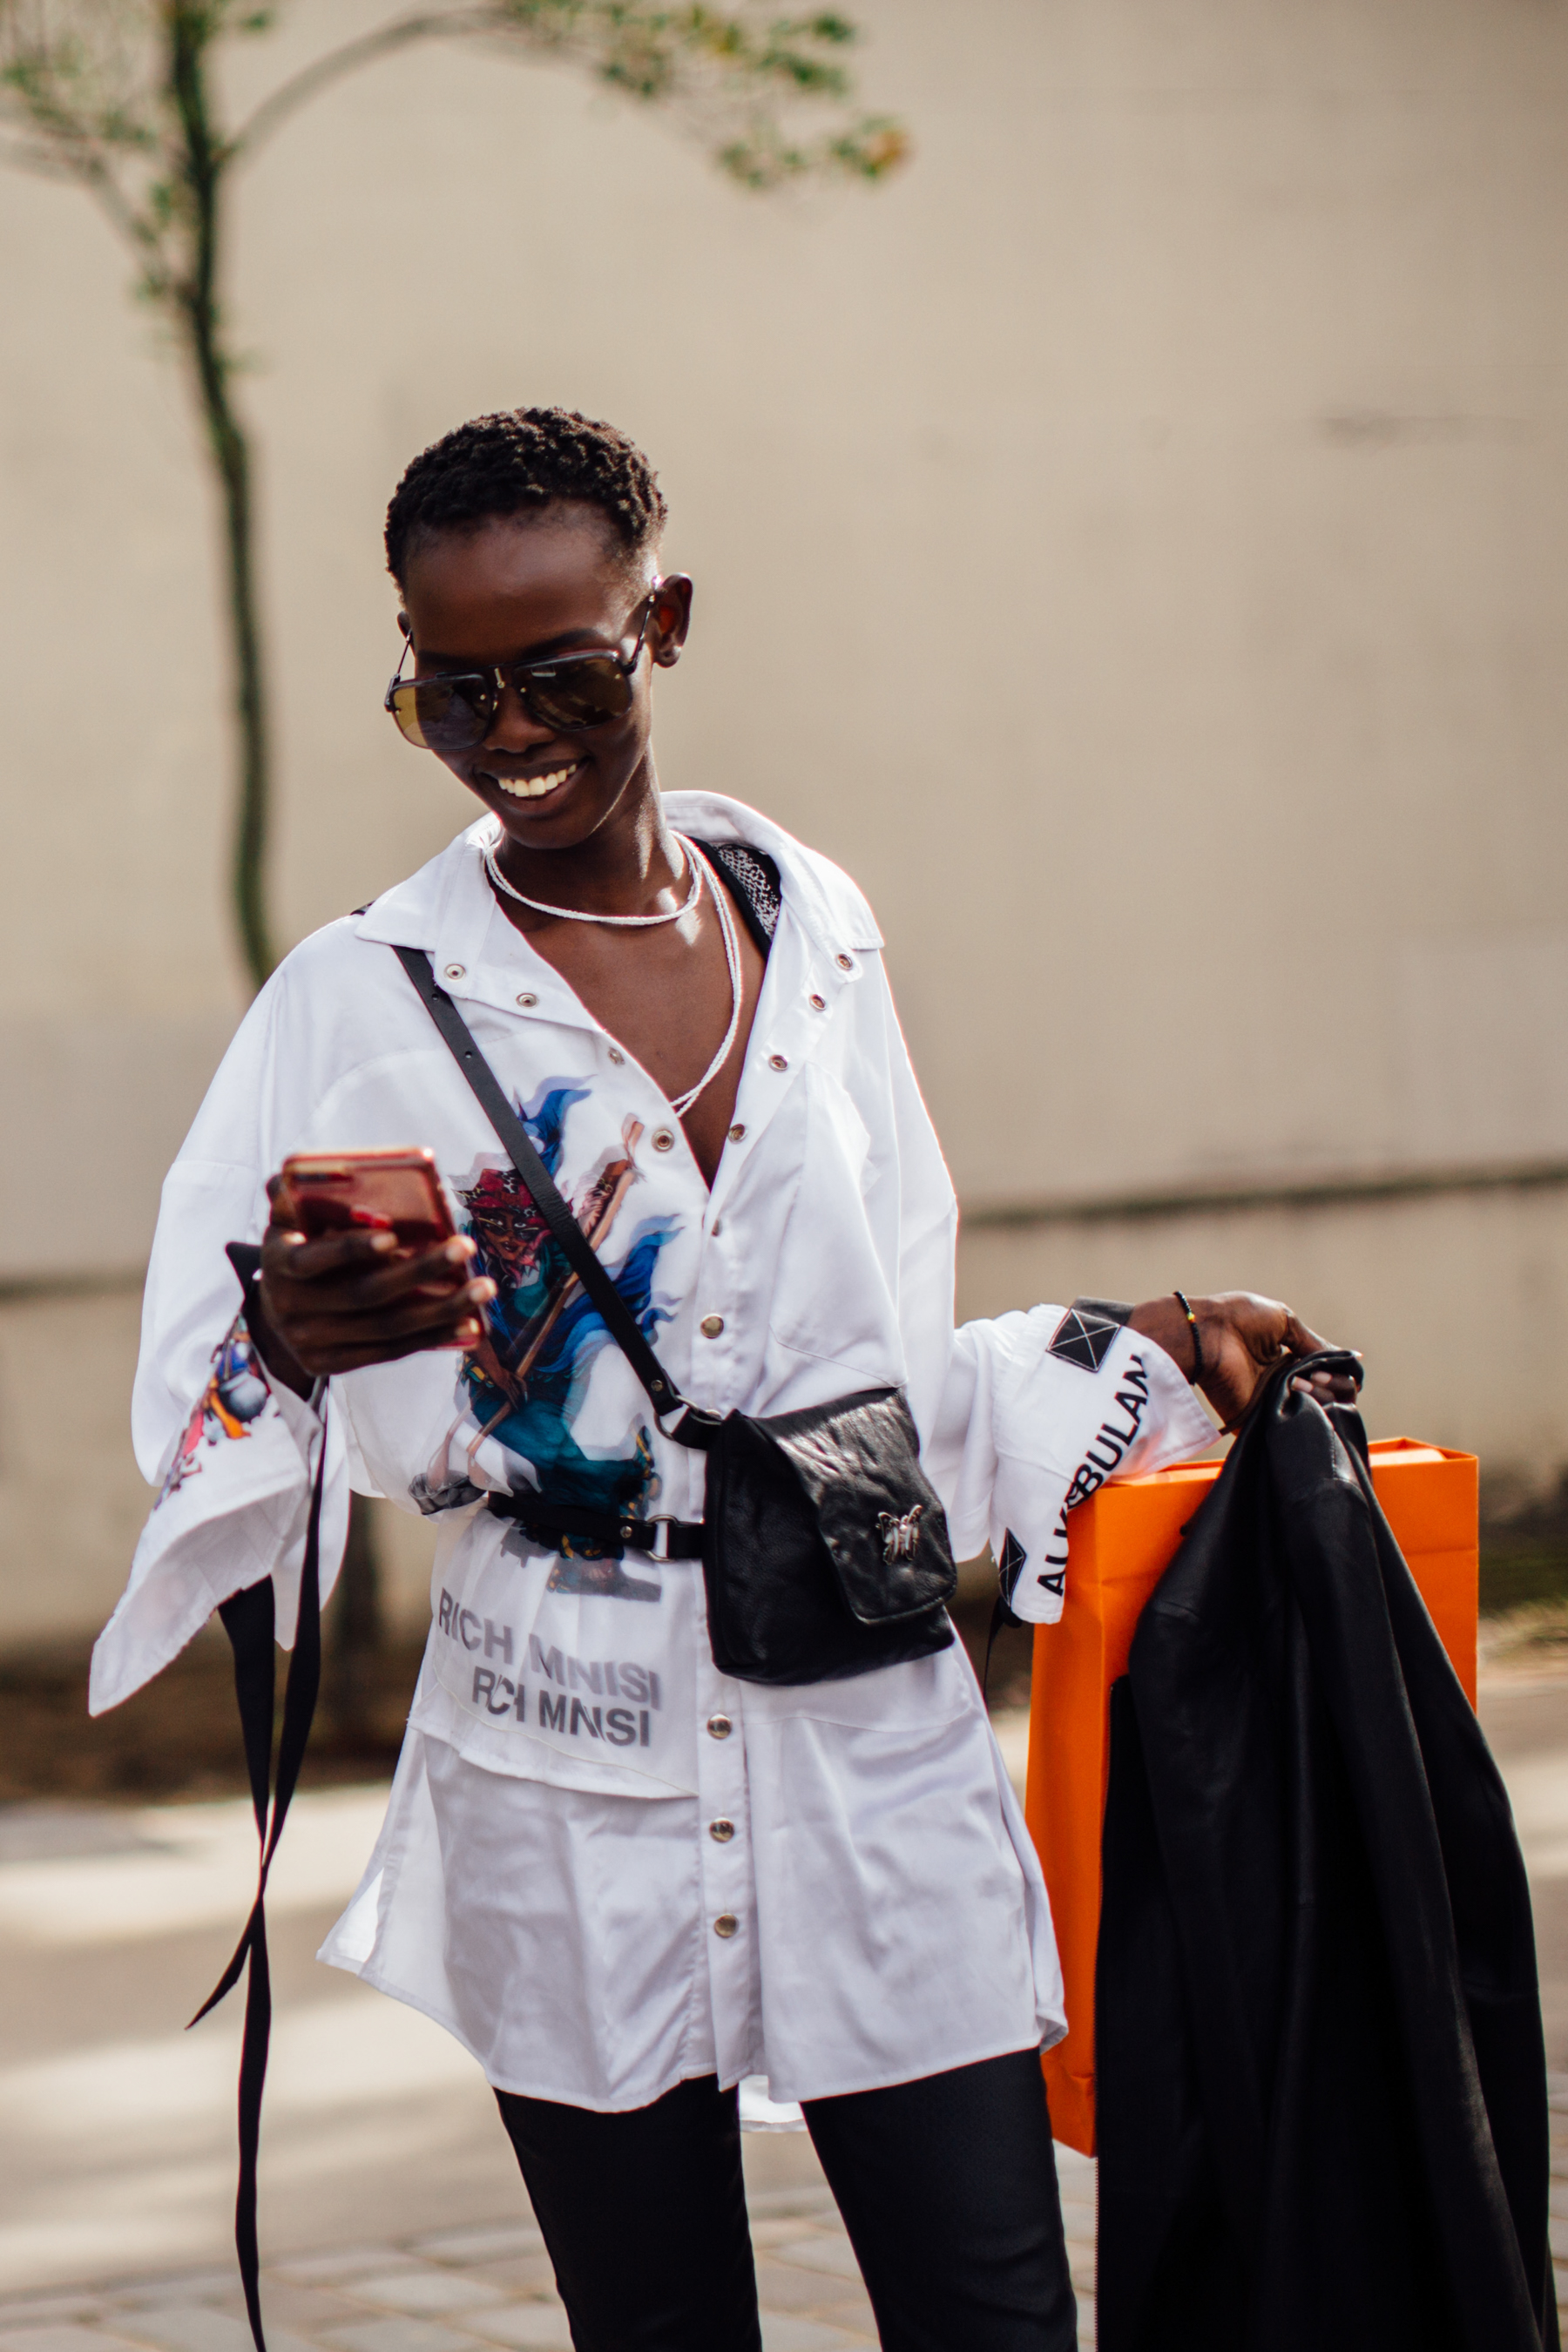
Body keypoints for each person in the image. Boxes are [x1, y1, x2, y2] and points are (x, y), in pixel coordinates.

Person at [93, 408, 1356, 2352]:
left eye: (565, 670)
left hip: (868, 1750)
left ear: (660, 623)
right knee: (658, 2329)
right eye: (453, 692)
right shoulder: (356, 999)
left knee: (997, 2308)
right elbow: (197, 1387)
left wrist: (1153, 1350)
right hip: (565, 1761)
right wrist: (292, 1341)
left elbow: (887, 1360)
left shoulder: (815, 927)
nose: (513, 729)